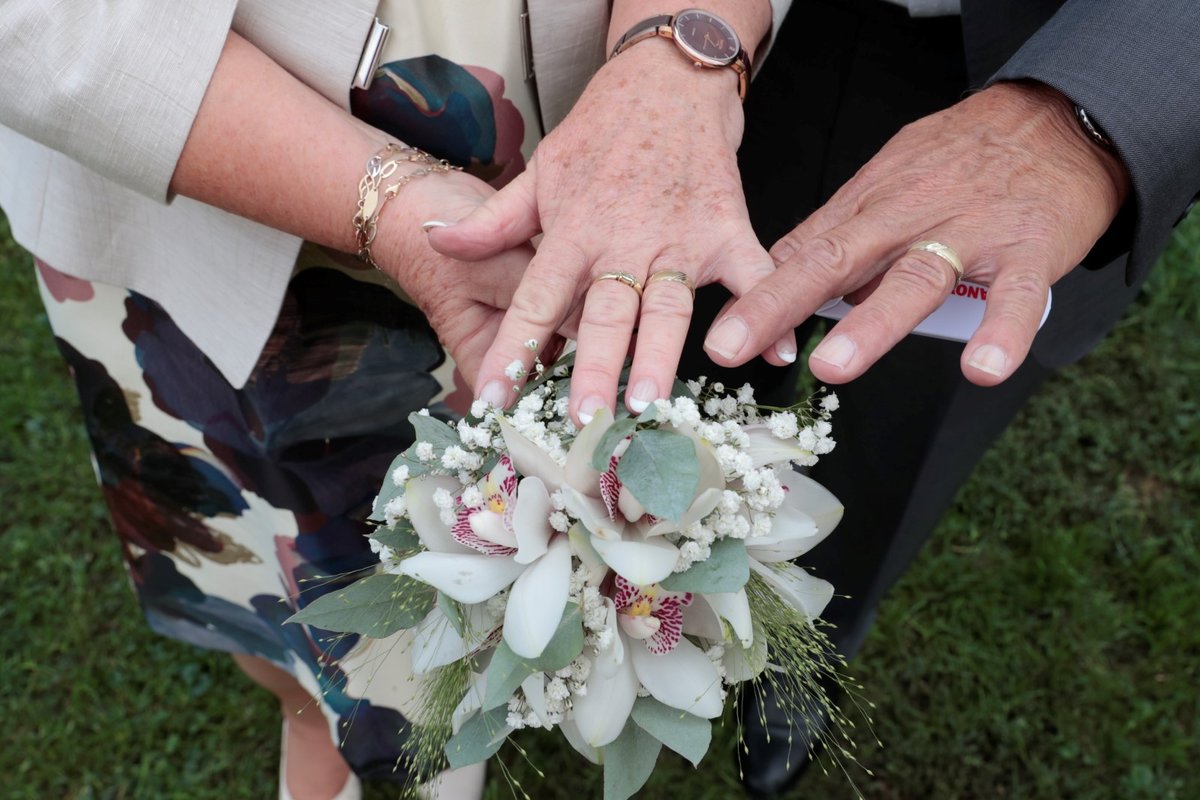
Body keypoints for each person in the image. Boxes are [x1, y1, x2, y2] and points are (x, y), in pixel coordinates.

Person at [0, 1, 794, 799]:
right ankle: (309, 708)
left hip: (575, 155)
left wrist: (679, 43)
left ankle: (444, 720)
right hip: (198, 171)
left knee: (515, 532)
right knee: (259, 559)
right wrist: (391, 204)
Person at [429, 0, 1200, 797]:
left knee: (900, 443)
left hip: (1035, 45)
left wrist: (1090, 116)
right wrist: (685, 39)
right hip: (762, 49)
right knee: (670, 373)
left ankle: (804, 648)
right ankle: (660, 608)